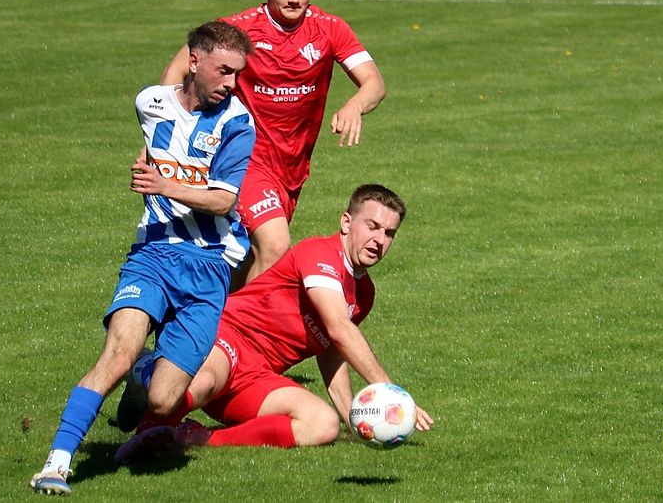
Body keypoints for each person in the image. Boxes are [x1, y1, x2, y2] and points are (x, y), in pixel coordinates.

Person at [29, 20, 256, 496]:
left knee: (163, 399)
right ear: (193, 61)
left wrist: (163, 184)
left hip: (209, 268)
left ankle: (141, 376)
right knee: (116, 354)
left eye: (238, 73)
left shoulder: (237, 123)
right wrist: (151, 170)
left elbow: (223, 201)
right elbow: (156, 137)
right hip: (153, 254)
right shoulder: (150, 103)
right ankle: (57, 463)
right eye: (223, 71)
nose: (232, 83)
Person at [114, 185, 433, 463]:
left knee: (323, 424)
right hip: (229, 338)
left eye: (389, 233)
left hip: (258, 376)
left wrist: (353, 415)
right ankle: (147, 392)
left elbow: (332, 349)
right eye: (372, 226)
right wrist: (392, 395)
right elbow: (339, 329)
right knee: (203, 383)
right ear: (346, 223)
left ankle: (197, 438)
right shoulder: (320, 253)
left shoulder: (364, 293)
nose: (379, 240)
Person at [160, 0, 387, 286]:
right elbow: (177, 69)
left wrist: (355, 105)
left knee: (248, 259)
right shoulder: (239, 30)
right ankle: (236, 322)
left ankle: (197, 310)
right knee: (276, 245)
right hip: (244, 157)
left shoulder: (330, 29)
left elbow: (374, 83)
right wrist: (165, 131)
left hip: (291, 169)